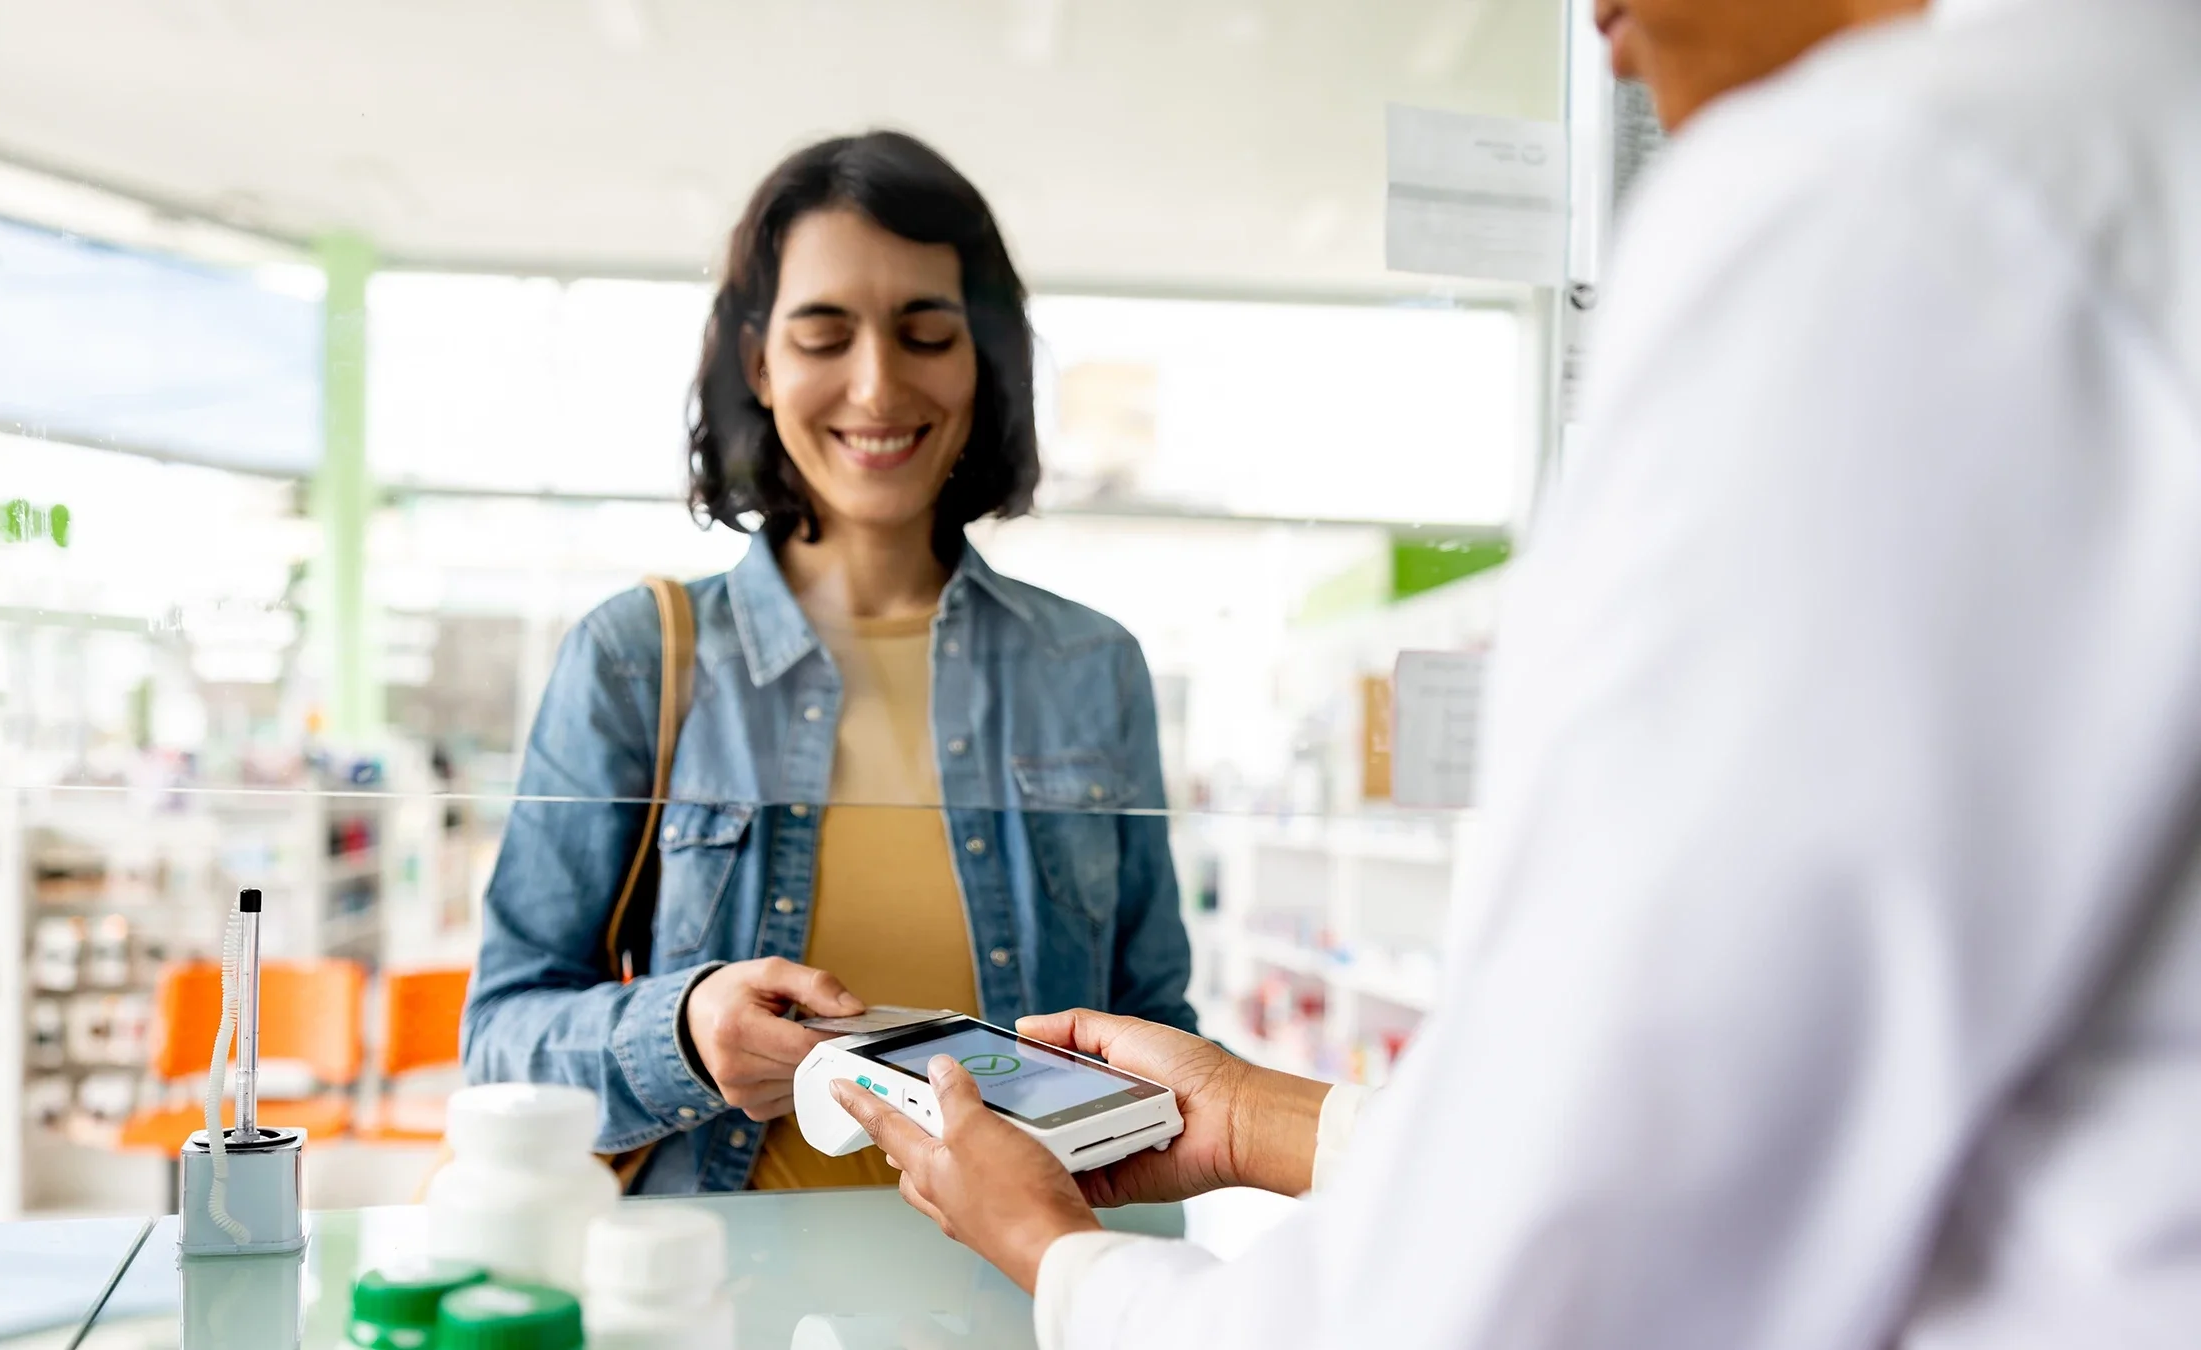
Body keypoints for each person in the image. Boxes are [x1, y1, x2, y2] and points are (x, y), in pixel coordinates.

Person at [834, 0, 2201, 1344]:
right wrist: (1265, 1118)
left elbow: (1563, 1264)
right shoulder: (2120, 133)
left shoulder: (1891, 192)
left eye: (930, 331)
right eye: (823, 330)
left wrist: (1062, 1259)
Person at [464, 131, 1199, 1195]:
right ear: (759, 363)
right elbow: (498, 1039)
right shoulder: (636, 658)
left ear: (981, 357)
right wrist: (681, 1027)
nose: (877, 383)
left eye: (925, 331)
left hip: (1020, 1297)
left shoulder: (1090, 667)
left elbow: (1155, 1037)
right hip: (728, 1298)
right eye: (824, 335)